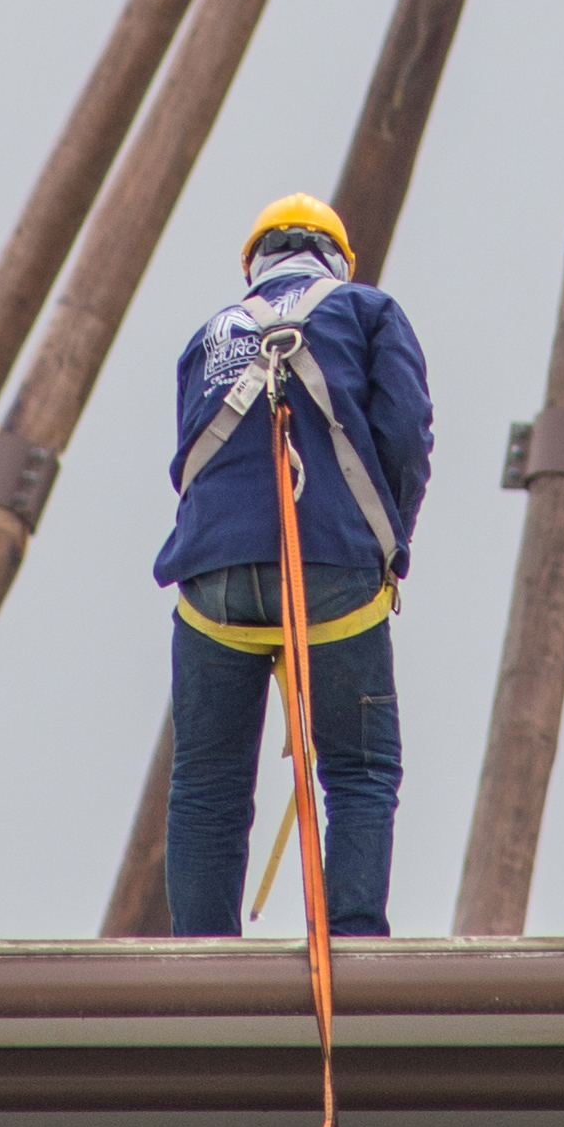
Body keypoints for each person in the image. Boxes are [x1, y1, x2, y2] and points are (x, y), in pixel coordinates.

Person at [155, 192, 431, 940]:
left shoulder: (210, 334)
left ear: (253, 265)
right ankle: (351, 951)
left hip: (213, 580)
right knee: (360, 772)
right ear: (340, 259)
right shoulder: (369, 312)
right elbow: (405, 437)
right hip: (333, 570)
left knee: (207, 788)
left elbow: (189, 459)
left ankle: (202, 975)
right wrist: (386, 548)